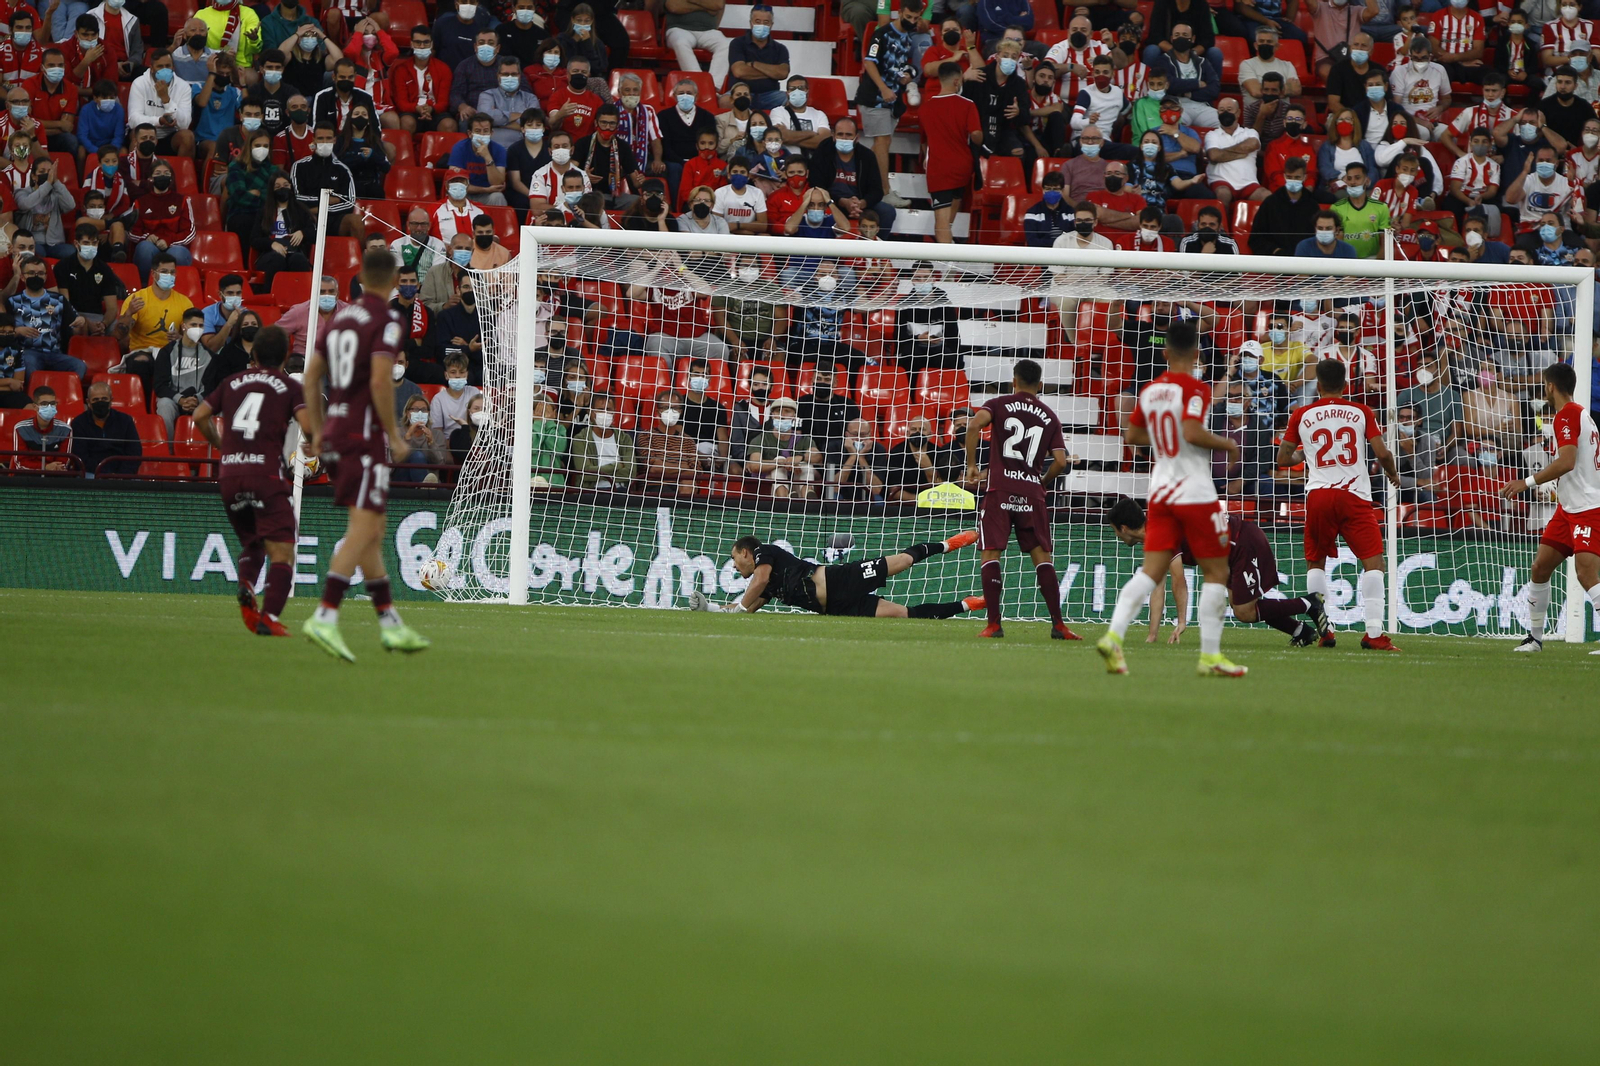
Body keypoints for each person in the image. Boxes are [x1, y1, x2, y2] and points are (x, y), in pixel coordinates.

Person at [300, 247, 428, 659]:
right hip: (363, 434)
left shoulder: (339, 317)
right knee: (365, 528)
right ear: (393, 281)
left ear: (359, 278)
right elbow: (378, 381)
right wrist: (395, 434)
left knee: (372, 528)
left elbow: (311, 376)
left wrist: (317, 430)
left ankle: (390, 623)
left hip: (337, 430)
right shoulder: (388, 318)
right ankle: (324, 615)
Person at [1100, 320, 1247, 678]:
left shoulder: (1151, 390)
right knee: (1217, 570)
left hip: (1160, 490)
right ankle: (1210, 656)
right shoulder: (1197, 388)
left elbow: (1133, 435)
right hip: (1194, 490)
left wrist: (1167, 442)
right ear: (1197, 354)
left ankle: (1114, 636)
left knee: (1151, 572)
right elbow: (1192, 431)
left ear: (1164, 353)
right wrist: (1227, 443)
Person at [191, 324, 309, 636]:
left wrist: (219, 444)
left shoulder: (231, 382)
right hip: (266, 475)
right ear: (286, 354)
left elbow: (199, 415)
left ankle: (245, 582)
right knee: (282, 552)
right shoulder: (288, 386)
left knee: (253, 542)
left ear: (253, 354)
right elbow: (310, 429)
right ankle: (268, 616)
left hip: (229, 475)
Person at [1278, 359, 1403, 651]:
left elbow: (1284, 458)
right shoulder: (1361, 411)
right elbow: (1382, 452)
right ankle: (1373, 633)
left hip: (1319, 494)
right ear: (1346, 385)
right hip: (1354, 495)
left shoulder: (1301, 414)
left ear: (1318, 386)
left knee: (1316, 561)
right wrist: (1393, 474)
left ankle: (1326, 630)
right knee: (1373, 562)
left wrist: (1304, 456)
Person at [961, 357, 1078, 640]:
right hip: (1031, 494)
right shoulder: (1050, 415)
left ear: (1014, 381)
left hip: (1000, 490)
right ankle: (1059, 625)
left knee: (991, 553)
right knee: (1042, 558)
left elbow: (975, 425)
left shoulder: (999, 403)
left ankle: (994, 624)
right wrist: (1042, 481)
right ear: (1040, 384)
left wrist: (972, 465)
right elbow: (1061, 462)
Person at [1107, 498, 1330, 646]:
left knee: (1244, 610)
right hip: (1229, 552)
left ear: (1123, 528)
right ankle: (1300, 631)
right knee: (1245, 605)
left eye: (1115, 530)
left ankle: (1309, 603)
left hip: (1241, 543)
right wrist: (1152, 635)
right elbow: (1157, 587)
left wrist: (1182, 621)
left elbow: (1178, 580)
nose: (1117, 536)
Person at [1499, 363, 1600, 652]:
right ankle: (1535, 638)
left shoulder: (1566, 415)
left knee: (1586, 574)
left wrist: (1526, 482)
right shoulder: (1583, 415)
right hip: (1569, 508)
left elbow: (1567, 461)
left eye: (1545, 385)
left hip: (1588, 508)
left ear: (1550, 386)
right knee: (1540, 567)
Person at [691, 532, 984, 619]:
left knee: (903, 561)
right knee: (905, 615)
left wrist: (739, 607)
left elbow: (759, 582)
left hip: (840, 578)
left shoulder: (764, 554)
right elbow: (746, 608)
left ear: (745, 553)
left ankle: (949, 544)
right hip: (836, 608)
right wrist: (711, 607)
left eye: (733, 558)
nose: (734, 566)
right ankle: (968, 604)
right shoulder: (765, 589)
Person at [921, 62, 982, 244]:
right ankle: (951, 266)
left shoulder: (926, 108)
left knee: (941, 225)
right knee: (946, 225)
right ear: (957, 81)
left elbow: (924, 142)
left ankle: (950, 270)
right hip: (962, 168)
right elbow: (977, 135)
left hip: (939, 169)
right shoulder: (968, 105)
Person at [9, 255, 88, 379]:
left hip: (54, 353)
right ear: (22, 277)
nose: (36, 276)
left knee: (79, 366)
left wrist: (81, 321)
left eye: (40, 273)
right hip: (27, 353)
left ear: (46, 276)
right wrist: (18, 331)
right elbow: (3, 333)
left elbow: (76, 323)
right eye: (31, 273)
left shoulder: (59, 300)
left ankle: (65, 394)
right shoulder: (12, 301)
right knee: (29, 365)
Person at [151, 306, 212, 434]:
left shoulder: (210, 356)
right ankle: (168, 450)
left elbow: (212, 386)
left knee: (218, 405)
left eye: (201, 326)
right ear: (183, 326)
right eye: (193, 325)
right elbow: (160, 385)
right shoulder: (166, 352)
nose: (198, 329)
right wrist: (181, 399)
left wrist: (196, 399)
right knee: (164, 405)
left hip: (199, 400)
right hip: (173, 399)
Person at [69, 378, 141, 477]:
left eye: (104, 399)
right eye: (96, 400)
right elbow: (80, 456)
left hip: (121, 475)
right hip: (91, 473)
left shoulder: (125, 420)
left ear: (111, 401)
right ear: (88, 402)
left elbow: (134, 453)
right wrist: (103, 474)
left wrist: (119, 476)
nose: (100, 402)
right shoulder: (79, 423)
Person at [569, 391, 634, 489]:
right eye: (600, 410)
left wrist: (597, 472)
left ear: (614, 412)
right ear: (591, 412)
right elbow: (585, 473)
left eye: (608, 409)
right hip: (590, 492)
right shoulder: (580, 439)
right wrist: (616, 466)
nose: (605, 413)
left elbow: (631, 472)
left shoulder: (625, 439)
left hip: (620, 491)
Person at [664, 0, 729, 92]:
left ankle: (713, 87)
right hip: (678, 29)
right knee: (680, 42)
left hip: (708, 30)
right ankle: (699, 83)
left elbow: (718, 4)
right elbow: (673, 6)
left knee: (726, 44)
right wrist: (707, 7)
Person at [13, 385, 73, 470]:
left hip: (55, 475)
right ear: (34, 407)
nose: (49, 407)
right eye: (44, 404)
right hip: (28, 476)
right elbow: (21, 462)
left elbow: (63, 462)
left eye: (52, 403)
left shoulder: (65, 430)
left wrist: (53, 468)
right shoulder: (21, 428)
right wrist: (45, 467)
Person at [1024, 170, 1073, 246]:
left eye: (1056, 189)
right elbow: (1032, 241)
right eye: (1048, 189)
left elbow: (1076, 239)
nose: (1051, 192)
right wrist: (1059, 244)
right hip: (1042, 254)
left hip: (1066, 253)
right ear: (1042, 190)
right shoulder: (1032, 212)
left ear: (1062, 190)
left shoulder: (1071, 212)